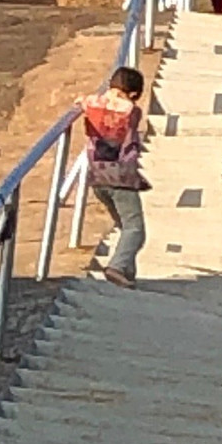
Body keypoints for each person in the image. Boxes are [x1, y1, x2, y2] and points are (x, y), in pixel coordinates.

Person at [78, 67, 150, 289]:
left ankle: (127, 273)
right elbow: (125, 108)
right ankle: (117, 268)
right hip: (121, 178)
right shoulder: (131, 110)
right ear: (135, 94)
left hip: (98, 177)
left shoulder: (93, 105)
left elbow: (84, 101)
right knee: (135, 229)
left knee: (123, 224)